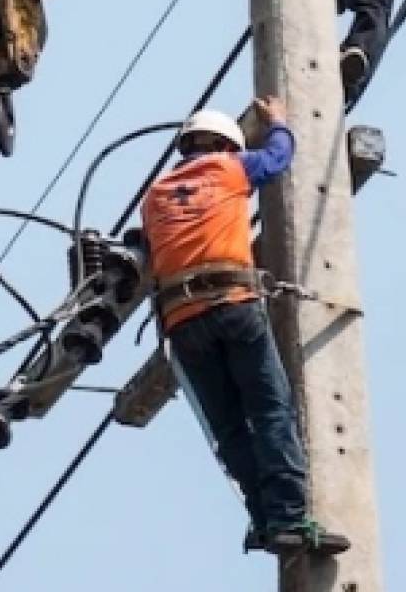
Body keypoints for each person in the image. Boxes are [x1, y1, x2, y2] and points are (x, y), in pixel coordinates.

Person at [140, 98, 350, 556]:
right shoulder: (229, 168)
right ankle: (289, 517)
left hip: (182, 322)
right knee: (271, 411)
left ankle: (265, 519)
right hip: (231, 304)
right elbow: (278, 157)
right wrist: (279, 122)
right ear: (226, 144)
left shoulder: (154, 197)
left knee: (232, 429)